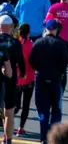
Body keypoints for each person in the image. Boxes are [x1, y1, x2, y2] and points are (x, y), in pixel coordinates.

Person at [29, 19, 68, 142]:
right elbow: (66, 62)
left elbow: (32, 61)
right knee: (56, 110)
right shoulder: (60, 44)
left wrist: (39, 68)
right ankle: (54, 137)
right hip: (55, 80)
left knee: (42, 110)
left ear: (46, 29)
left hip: (41, 79)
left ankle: (44, 137)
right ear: (56, 29)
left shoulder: (38, 42)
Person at [0, 14, 23, 142]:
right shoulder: (15, 43)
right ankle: (7, 139)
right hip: (10, 80)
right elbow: (20, 60)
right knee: (9, 112)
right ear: (10, 27)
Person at [14, 23, 34, 139]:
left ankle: (5, 120)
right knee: (26, 105)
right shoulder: (30, 45)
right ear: (28, 32)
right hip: (29, 78)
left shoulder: (15, 44)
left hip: (16, 79)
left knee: (16, 105)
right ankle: (21, 128)